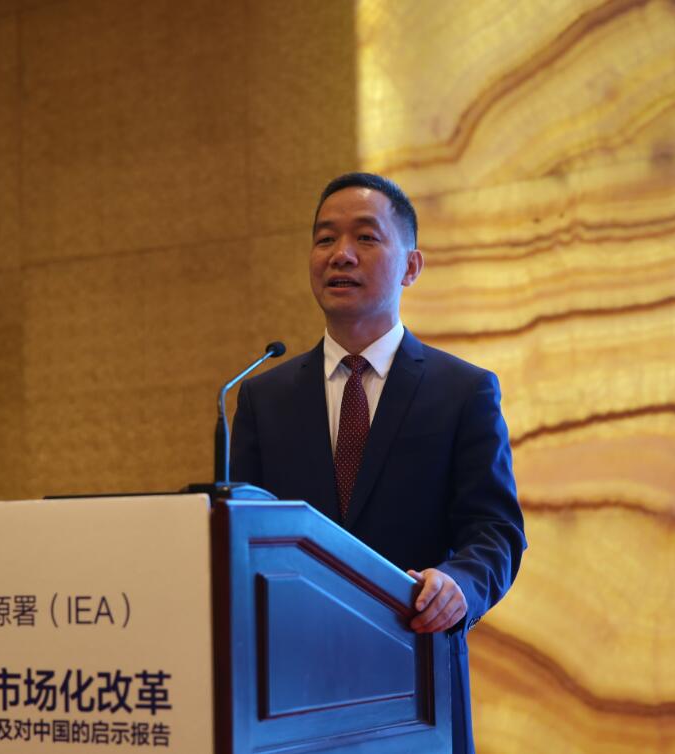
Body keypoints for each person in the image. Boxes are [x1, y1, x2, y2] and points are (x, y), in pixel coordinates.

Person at [230, 172, 526, 754]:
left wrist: (460, 586)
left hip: (414, 672)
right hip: (286, 685)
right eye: (324, 239)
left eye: (365, 237)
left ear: (411, 266)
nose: (340, 255)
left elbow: (495, 530)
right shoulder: (264, 397)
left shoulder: (462, 391)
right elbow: (243, 534)